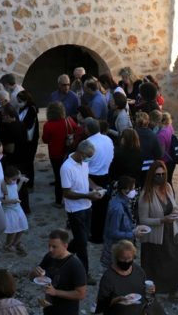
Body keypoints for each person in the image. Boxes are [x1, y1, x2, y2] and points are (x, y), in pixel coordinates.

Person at [138, 160, 178, 302]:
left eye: (162, 174)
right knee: (155, 267)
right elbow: (143, 220)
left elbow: (173, 206)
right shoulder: (146, 194)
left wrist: (176, 212)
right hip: (155, 236)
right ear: (151, 176)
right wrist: (162, 220)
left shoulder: (167, 187)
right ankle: (153, 293)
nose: (160, 177)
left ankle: (173, 289)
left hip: (171, 232)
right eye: (157, 175)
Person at [61, 139, 104, 284]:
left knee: (83, 238)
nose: (89, 159)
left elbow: (86, 177)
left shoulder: (83, 162)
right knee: (82, 244)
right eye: (88, 156)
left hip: (86, 206)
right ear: (80, 152)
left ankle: (62, 255)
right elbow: (67, 193)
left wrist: (94, 186)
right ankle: (84, 274)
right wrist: (87, 195)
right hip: (75, 210)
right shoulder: (66, 168)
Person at [30, 229, 87, 315]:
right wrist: (34, 274)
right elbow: (32, 278)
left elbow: (81, 294)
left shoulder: (75, 265)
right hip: (49, 308)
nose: (50, 249)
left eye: (54, 247)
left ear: (65, 246)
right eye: (49, 246)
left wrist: (56, 292)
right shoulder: (49, 257)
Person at [95, 240, 154, 315]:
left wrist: (151, 291)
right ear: (116, 257)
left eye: (129, 258)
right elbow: (100, 305)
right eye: (123, 258)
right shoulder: (108, 277)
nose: (126, 261)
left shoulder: (139, 271)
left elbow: (146, 296)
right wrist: (116, 300)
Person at [83, 118, 114, 244]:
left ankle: (96, 235)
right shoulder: (107, 139)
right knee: (103, 208)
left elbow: (83, 165)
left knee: (93, 208)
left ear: (87, 129)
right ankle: (102, 233)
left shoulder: (87, 143)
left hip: (92, 177)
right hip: (106, 175)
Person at [101, 176, 142, 268]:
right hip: (118, 249)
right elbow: (113, 232)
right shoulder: (118, 209)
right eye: (132, 189)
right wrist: (133, 233)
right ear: (124, 191)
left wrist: (135, 228)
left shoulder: (120, 201)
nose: (134, 191)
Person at [42, 102, 77, 208]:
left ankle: (58, 201)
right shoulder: (69, 121)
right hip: (68, 152)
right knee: (70, 175)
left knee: (58, 177)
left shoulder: (48, 125)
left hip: (55, 154)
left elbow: (45, 140)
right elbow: (76, 131)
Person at [17, 90, 39, 214]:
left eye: (20, 101)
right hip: (25, 140)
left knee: (29, 161)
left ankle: (30, 184)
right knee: (26, 161)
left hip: (30, 140)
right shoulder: (23, 109)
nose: (19, 103)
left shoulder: (31, 109)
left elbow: (28, 124)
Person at [1, 166, 28, 255]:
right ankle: (8, 244)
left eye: (16, 179)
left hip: (18, 208)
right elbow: (1, 200)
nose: (14, 181)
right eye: (13, 179)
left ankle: (15, 242)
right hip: (9, 211)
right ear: (6, 178)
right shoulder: (3, 187)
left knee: (22, 227)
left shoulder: (13, 183)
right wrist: (12, 201)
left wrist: (21, 181)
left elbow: (16, 189)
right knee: (12, 230)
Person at [134, 112, 162, 187]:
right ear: (148, 121)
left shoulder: (133, 133)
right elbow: (158, 154)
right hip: (149, 168)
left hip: (136, 167)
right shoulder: (152, 135)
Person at [157, 111, 177, 186]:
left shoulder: (161, 135)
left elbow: (162, 153)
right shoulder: (170, 127)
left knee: (164, 183)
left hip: (165, 162)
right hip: (172, 159)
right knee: (169, 182)